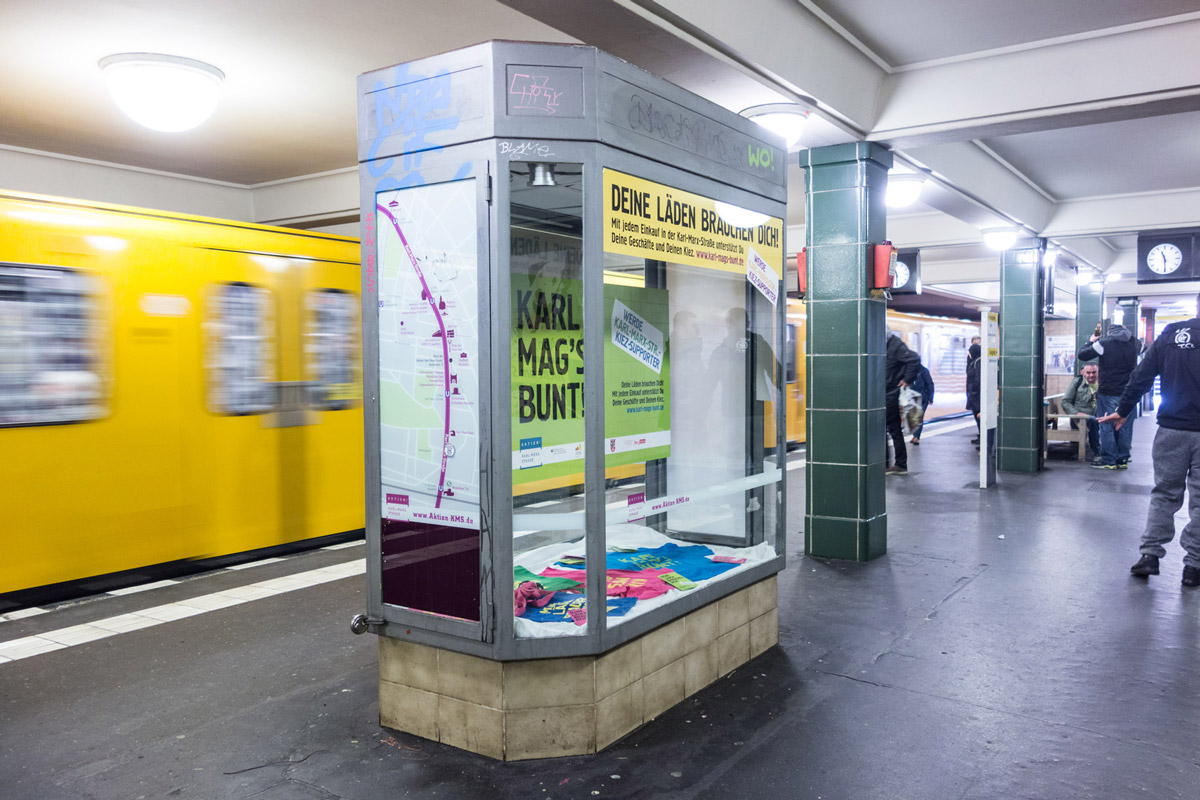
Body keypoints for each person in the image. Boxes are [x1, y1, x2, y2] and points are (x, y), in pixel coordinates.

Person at [1097, 306, 1200, 587]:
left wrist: (1124, 408)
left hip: (1171, 429)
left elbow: (1142, 375)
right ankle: (1194, 566)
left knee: (1164, 493)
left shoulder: (1170, 334)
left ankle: (1150, 556)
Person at [1078, 323, 1143, 469]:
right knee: (1126, 425)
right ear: (1125, 330)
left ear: (1109, 332)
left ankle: (1108, 460)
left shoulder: (1104, 343)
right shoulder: (1136, 342)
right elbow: (1142, 350)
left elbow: (1082, 355)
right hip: (1129, 392)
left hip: (1108, 391)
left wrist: (1091, 341)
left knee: (1106, 424)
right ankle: (1122, 458)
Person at [885, 332, 921, 475]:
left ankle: (887, 463)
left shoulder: (895, 346)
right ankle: (899, 464)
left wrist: (907, 379)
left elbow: (914, 359)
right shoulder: (890, 345)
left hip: (891, 393)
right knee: (894, 429)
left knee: (884, 428)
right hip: (888, 392)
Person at [1060, 362, 1100, 458]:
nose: (1091, 375)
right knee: (1092, 420)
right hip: (1078, 419)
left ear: (1098, 373)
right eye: (1088, 372)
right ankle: (1097, 452)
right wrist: (1077, 413)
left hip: (1099, 417)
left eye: (1094, 372)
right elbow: (1065, 402)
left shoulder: (1103, 384)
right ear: (1083, 373)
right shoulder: (1076, 382)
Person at [909, 364, 935, 445]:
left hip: (922, 398)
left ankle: (916, 437)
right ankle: (915, 435)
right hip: (912, 398)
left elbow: (930, 384)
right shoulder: (908, 370)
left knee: (919, 416)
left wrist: (930, 397)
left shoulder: (924, 370)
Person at [966, 340, 982, 446]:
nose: (969, 354)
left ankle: (982, 439)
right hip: (974, 395)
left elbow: (977, 379)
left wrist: (973, 391)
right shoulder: (973, 362)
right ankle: (981, 437)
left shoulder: (978, 362)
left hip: (977, 396)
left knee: (979, 416)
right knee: (977, 417)